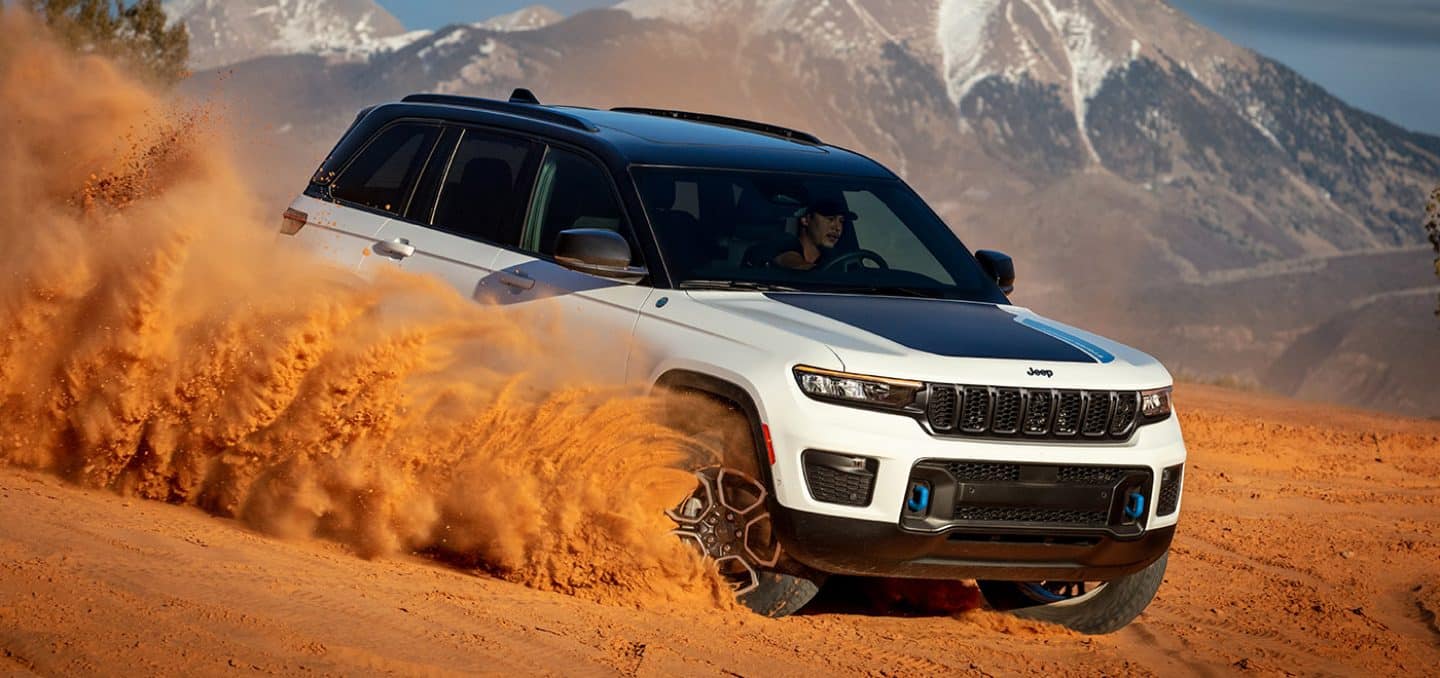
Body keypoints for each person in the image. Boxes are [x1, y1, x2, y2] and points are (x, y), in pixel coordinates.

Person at [763, 198, 857, 270]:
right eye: (830, 219)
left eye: (841, 221)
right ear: (805, 220)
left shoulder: (834, 258)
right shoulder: (785, 244)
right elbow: (790, 260)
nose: (837, 228)